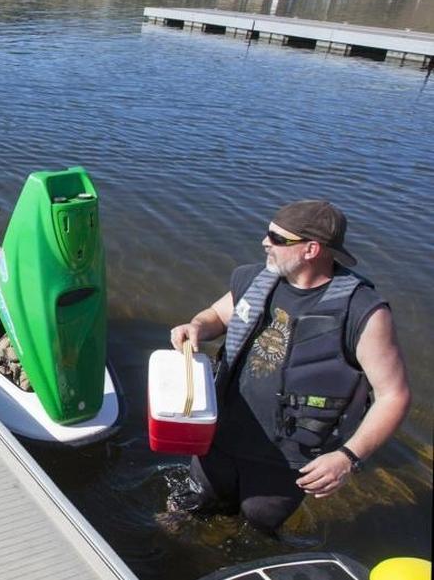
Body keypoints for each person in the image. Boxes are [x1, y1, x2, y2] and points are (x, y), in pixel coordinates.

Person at [168, 200, 410, 534]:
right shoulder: (255, 279)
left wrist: (348, 458)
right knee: (188, 507)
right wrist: (196, 326)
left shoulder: (364, 311)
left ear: (312, 249)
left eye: (277, 238)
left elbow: (394, 396)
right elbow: (217, 316)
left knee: (256, 528)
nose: (264, 242)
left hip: (286, 460)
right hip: (220, 437)